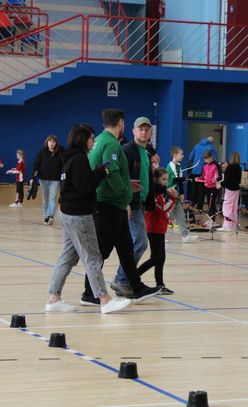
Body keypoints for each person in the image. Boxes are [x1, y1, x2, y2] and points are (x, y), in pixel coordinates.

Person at [46, 123, 131, 314]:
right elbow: (85, 187)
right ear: (83, 139)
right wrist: (101, 173)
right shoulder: (79, 159)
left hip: (67, 213)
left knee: (68, 256)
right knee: (92, 257)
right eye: (92, 138)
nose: (94, 141)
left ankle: (53, 298)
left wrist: (95, 173)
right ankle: (104, 299)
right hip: (79, 215)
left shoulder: (69, 158)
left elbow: (79, 183)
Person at [82, 108, 162, 305]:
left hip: (113, 203)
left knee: (126, 248)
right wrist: (126, 193)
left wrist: (127, 184)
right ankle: (89, 293)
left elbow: (115, 173)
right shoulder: (110, 143)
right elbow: (111, 173)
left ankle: (137, 287)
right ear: (121, 123)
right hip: (108, 204)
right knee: (102, 250)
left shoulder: (101, 140)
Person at [110, 117, 177, 296]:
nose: (144, 132)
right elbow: (121, 177)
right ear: (133, 131)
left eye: (147, 129)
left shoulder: (146, 154)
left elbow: (147, 182)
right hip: (131, 204)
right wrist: (125, 201)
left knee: (135, 243)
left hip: (140, 204)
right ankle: (122, 279)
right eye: (141, 129)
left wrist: (164, 189)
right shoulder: (127, 150)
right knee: (139, 242)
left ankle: (124, 280)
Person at [137, 168, 176, 294]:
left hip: (160, 229)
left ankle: (160, 285)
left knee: (161, 258)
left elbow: (163, 212)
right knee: (155, 258)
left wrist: (167, 219)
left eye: (167, 180)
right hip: (153, 229)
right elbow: (162, 209)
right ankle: (133, 277)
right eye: (163, 179)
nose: (165, 182)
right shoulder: (152, 195)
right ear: (156, 180)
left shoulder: (160, 195)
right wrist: (173, 199)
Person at [167, 146, 199, 242]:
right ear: (175, 155)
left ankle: (185, 236)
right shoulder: (170, 166)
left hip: (177, 195)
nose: (183, 156)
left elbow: (180, 181)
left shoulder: (179, 166)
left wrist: (182, 193)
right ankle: (162, 236)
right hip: (170, 194)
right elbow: (175, 180)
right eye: (181, 154)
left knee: (181, 216)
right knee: (167, 216)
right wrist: (184, 179)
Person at [31, 135, 63, 225]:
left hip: (55, 180)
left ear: (56, 143)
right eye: (50, 141)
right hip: (43, 179)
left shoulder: (60, 152)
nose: (51, 143)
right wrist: (33, 177)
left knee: (52, 198)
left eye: (53, 141)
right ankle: (46, 216)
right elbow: (36, 164)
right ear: (47, 142)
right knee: (45, 199)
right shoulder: (42, 152)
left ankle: (50, 216)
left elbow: (64, 165)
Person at [188, 136, 218, 203]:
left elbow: (190, 158)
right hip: (205, 172)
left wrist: (195, 162)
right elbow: (215, 159)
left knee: (194, 189)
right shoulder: (211, 147)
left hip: (195, 170)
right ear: (211, 142)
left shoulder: (196, 146)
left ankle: (192, 205)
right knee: (202, 190)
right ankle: (200, 206)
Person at [195, 151, 220, 228]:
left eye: (206, 159)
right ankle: (210, 220)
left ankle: (212, 221)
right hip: (206, 187)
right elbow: (203, 176)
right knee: (207, 204)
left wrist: (216, 179)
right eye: (204, 159)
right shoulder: (204, 165)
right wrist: (198, 178)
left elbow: (219, 176)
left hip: (213, 188)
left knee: (211, 204)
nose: (205, 161)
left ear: (211, 157)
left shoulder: (216, 165)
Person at [218, 152, 242, 232]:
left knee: (227, 207)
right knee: (234, 208)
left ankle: (227, 226)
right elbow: (238, 180)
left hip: (230, 190)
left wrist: (220, 184)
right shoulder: (239, 167)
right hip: (236, 190)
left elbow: (226, 181)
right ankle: (233, 225)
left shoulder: (230, 167)